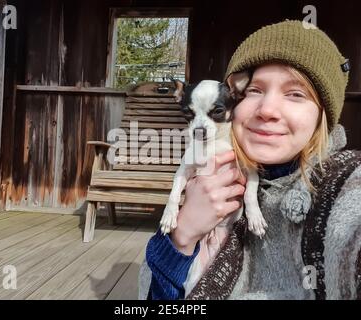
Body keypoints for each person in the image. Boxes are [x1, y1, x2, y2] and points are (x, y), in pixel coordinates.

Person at [138, 20, 361, 300]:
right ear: (235, 98)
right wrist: (180, 239)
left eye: (295, 94)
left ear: (322, 114)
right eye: (254, 91)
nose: (267, 110)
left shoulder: (345, 183)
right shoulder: (204, 171)